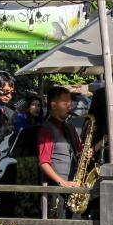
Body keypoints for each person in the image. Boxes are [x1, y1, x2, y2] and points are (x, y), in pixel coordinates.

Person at [32, 86, 85, 217]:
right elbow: (44, 162)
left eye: (70, 103)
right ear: (54, 105)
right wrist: (63, 182)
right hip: (57, 192)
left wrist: (87, 152)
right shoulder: (46, 130)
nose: (70, 106)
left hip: (74, 189)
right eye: (65, 103)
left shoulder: (70, 128)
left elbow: (79, 153)